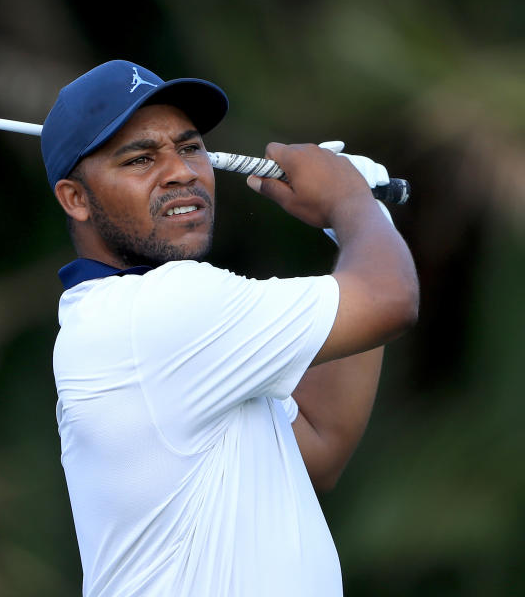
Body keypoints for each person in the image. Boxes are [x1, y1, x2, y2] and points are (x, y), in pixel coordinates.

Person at [40, 60, 419, 596]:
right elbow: (391, 299)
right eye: (141, 158)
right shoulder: (159, 311)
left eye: (190, 148)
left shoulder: (171, 334)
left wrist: (355, 217)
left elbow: (320, 440)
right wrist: (350, 200)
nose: (181, 172)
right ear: (76, 198)